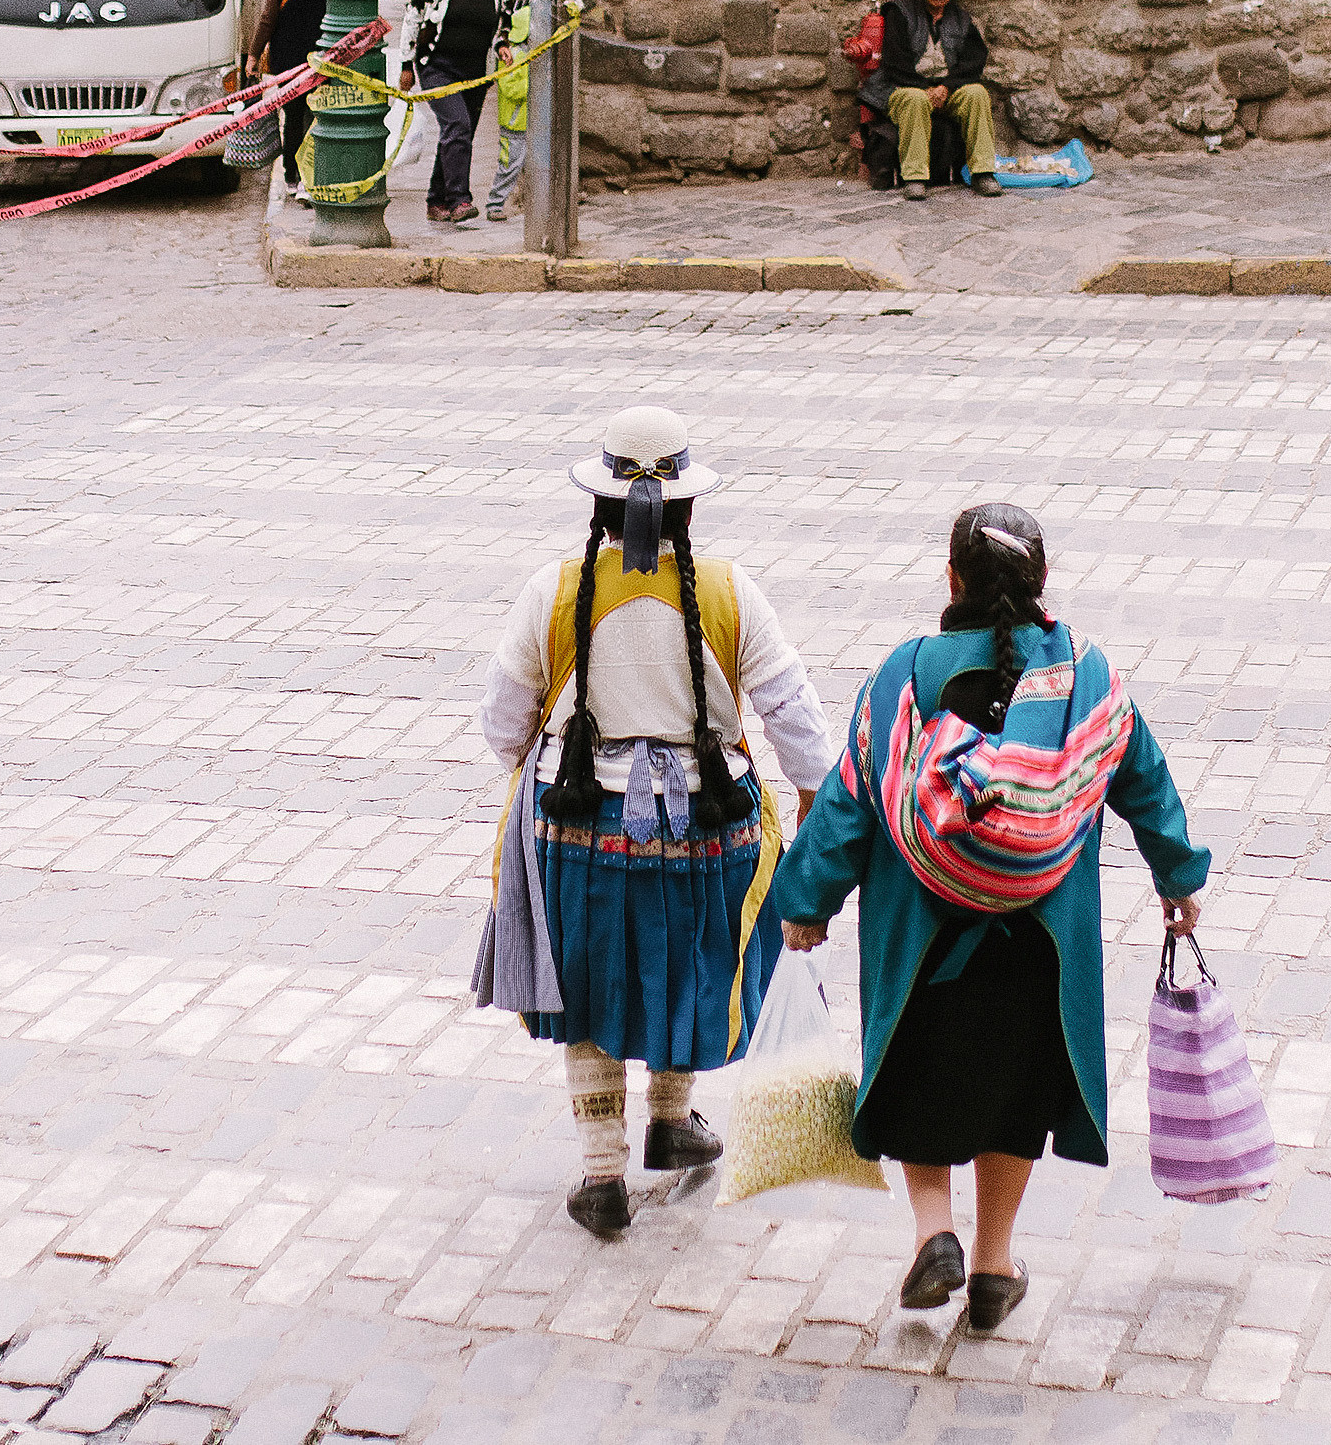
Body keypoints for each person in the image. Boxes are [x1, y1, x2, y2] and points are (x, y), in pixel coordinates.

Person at [774, 503, 1208, 1332]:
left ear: (952, 581)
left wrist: (805, 906)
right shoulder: (1087, 676)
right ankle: (996, 1264)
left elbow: (845, 807)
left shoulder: (904, 676)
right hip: (1037, 944)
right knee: (1015, 1096)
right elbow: (1144, 777)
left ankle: (934, 1232)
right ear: (1042, 583)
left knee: (919, 1077)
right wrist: (1177, 875)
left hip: (920, 944)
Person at [477, 404, 832, 1235]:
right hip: (709, 836)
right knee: (687, 966)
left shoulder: (554, 591)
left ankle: (603, 1175)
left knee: (593, 986)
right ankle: (672, 1125)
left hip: (580, 835)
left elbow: (502, 726)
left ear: (598, 503)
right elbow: (792, 713)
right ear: (689, 507)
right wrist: (817, 795)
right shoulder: (730, 592)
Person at [400, 0, 513, 226]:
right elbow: (413, 17)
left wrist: (502, 44)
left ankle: (437, 201)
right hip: (436, 65)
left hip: (477, 69)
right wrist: (407, 65)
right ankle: (460, 199)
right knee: (458, 126)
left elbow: (505, 16)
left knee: (458, 132)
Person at [869, 0, 1004, 201]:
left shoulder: (961, 18)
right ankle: (915, 177)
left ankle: (983, 173)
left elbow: (975, 59)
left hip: (945, 88)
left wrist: (946, 87)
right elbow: (895, 62)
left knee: (977, 94)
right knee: (915, 99)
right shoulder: (899, 12)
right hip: (904, 86)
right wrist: (925, 89)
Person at [248, 0, 332, 202]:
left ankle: (292, 176)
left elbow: (267, 18)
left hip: (289, 61)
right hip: (326, 60)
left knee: (294, 119)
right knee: (318, 117)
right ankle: (314, 177)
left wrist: (253, 55)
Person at [488, 2, 532, 222]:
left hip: (529, 121)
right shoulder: (511, 55)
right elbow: (511, 89)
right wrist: (535, 83)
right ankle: (495, 203)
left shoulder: (528, 53)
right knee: (509, 165)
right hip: (514, 123)